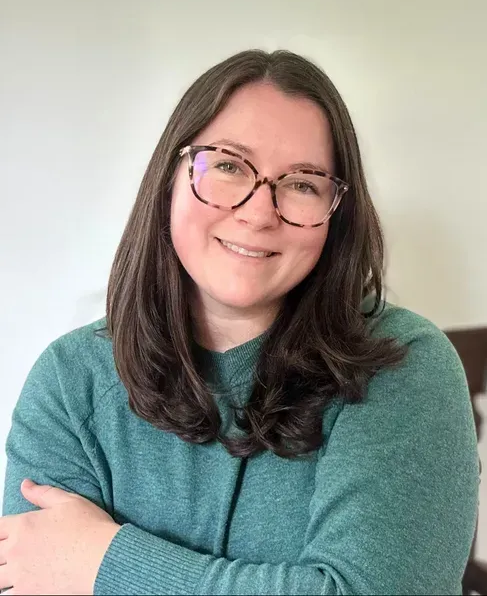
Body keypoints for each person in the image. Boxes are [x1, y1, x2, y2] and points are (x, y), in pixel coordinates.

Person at [1, 50, 480, 595]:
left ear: (336, 213)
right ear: (170, 177)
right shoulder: (70, 379)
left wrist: (105, 564)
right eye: (228, 165)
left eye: (303, 183)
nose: (258, 212)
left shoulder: (404, 363)